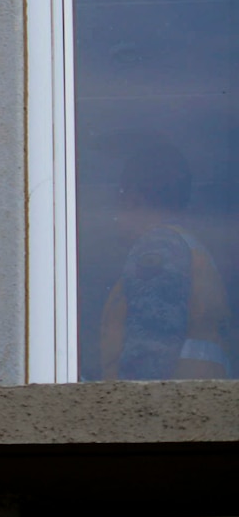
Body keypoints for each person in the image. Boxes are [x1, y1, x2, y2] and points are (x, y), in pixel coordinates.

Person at [96, 139, 230, 380]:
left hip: (169, 411)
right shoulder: (190, 249)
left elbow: (149, 351)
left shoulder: (159, 248)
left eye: (119, 196)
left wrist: (129, 410)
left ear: (132, 198)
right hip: (195, 405)